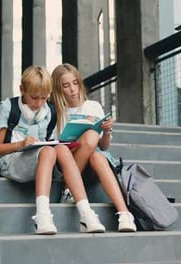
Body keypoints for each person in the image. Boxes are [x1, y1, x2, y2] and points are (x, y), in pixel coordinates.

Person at [0, 66, 106, 235]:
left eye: (44, 98)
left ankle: (86, 213)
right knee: (48, 151)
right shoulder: (8, 107)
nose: (39, 103)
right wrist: (21, 145)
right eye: (34, 98)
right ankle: (42, 215)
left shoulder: (48, 112)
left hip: (38, 159)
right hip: (11, 160)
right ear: (22, 90)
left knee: (60, 149)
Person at [50, 63, 137, 232]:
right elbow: (53, 145)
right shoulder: (55, 111)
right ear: (58, 89)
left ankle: (125, 214)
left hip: (92, 163)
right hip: (67, 161)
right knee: (89, 137)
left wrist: (106, 132)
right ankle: (68, 187)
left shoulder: (93, 106)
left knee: (97, 154)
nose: (72, 89)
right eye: (66, 86)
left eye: (75, 83)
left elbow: (104, 147)